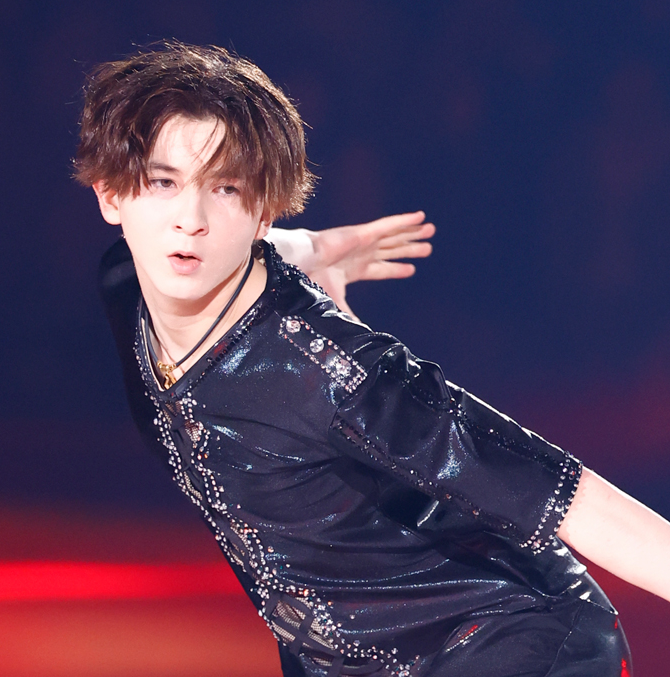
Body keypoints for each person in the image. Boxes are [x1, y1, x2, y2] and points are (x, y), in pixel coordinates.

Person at [74, 42, 670, 677]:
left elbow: (562, 494)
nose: (189, 220)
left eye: (226, 188)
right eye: (163, 183)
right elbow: (218, 245)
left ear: (263, 211)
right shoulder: (127, 282)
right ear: (111, 195)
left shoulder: (335, 372)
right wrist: (309, 246)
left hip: (505, 640)